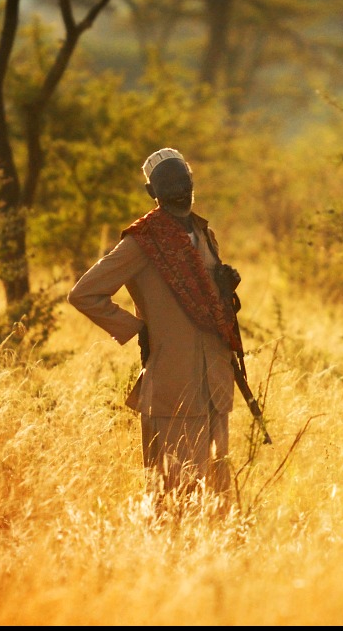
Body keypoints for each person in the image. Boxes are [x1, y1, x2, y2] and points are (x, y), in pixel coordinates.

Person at [68, 148, 243, 514]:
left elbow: (210, 303)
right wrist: (136, 329)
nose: (180, 189)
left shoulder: (204, 233)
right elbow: (84, 293)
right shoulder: (142, 242)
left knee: (219, 495)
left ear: (193, 186)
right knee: (174, 497)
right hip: (172, 385)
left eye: (184, 181)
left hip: (215, 380)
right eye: (171, 183)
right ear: (154, 194)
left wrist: (227, 289)